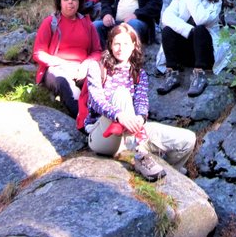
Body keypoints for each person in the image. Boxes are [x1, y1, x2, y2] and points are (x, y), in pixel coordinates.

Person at [83, 23, 197, 181]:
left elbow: (142, 103)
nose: (121, 48)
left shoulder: (139, 73)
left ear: (133, 46)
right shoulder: (97, 68)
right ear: (109, 45)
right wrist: (119, 115)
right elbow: (96, 101)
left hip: (131, 133)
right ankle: (140, 153)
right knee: (121, 94)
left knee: (187, 139)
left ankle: (169, 176)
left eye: (125, 44)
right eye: (116, 43)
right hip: (104, 135)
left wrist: (140, 118)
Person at [33, 0, 102, 118]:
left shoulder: (88, 24)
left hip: (82, 68)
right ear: (60, 2)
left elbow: (97, 51)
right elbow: (38, 53)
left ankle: (105, 117)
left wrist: (86, 64)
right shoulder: (50, 22)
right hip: (57, 68)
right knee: (64, 83)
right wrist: (63, 64)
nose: (70, 1)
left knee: (101, 79)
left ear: (79, 1)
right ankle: (83, 121)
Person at [158, 0, 222, 98]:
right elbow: (166, 17)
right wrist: (188, 30)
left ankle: (199, 74)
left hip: (205, 53)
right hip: (185, 51)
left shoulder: (215, 0)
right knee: (168, 30)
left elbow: (201, 20)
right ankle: (172, 73)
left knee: (199, 30)